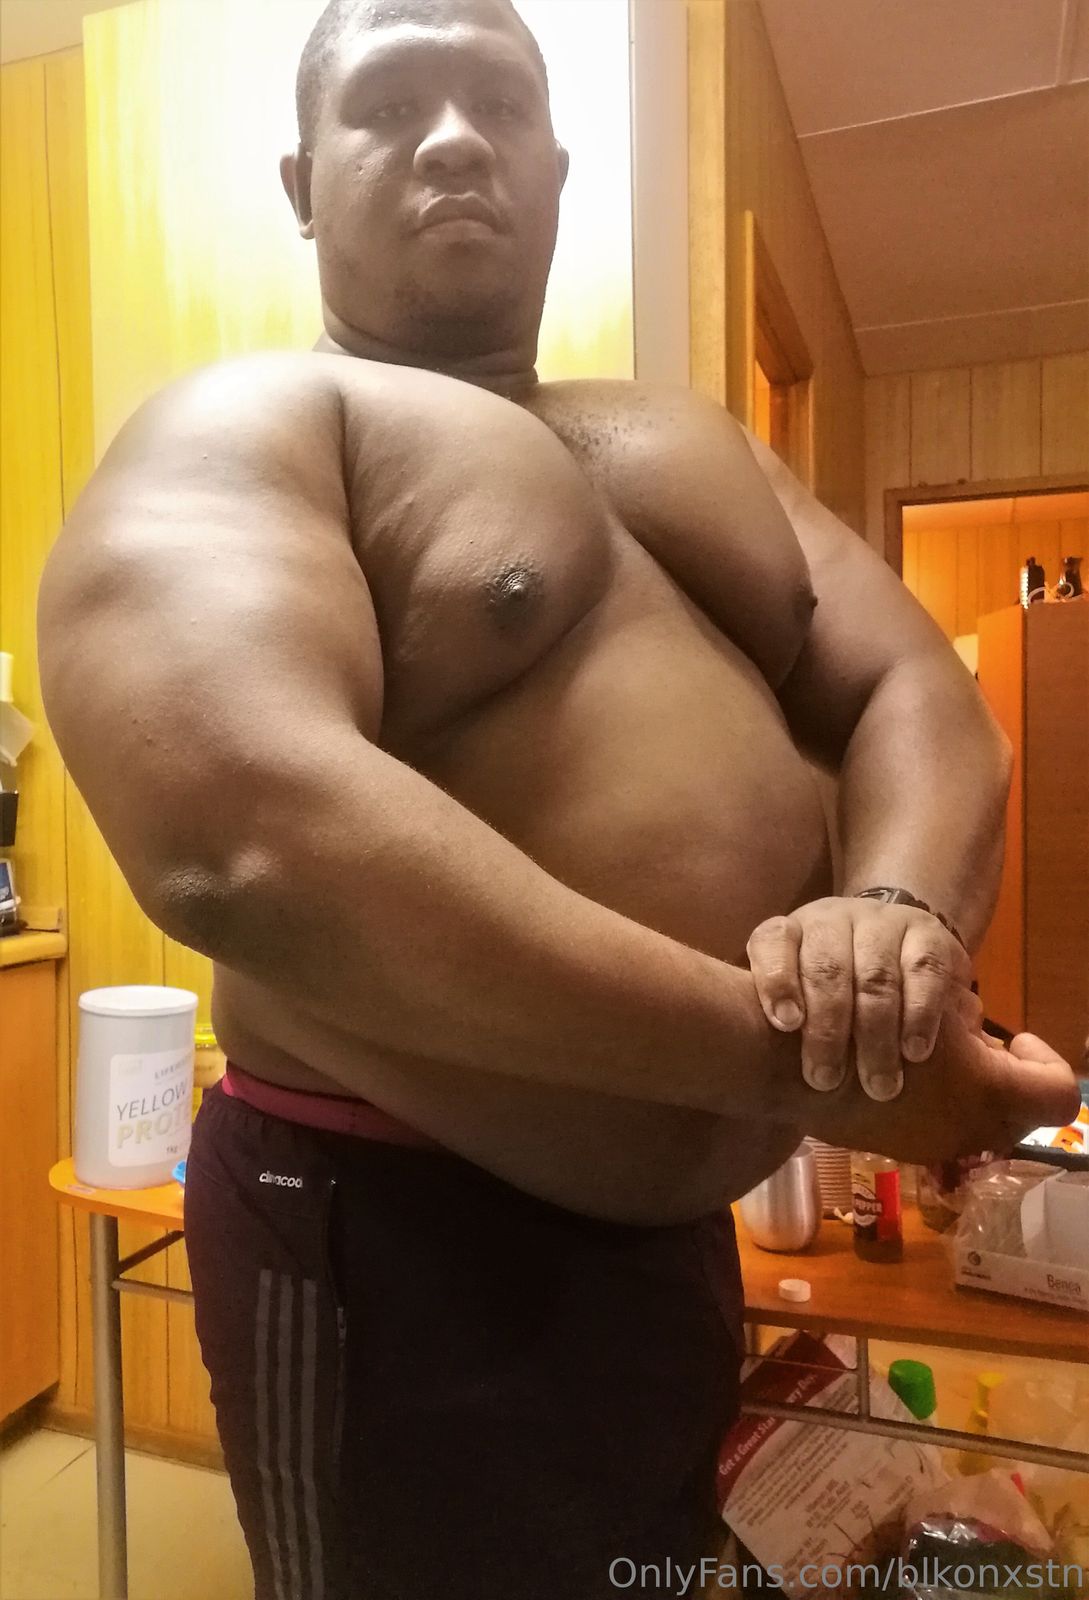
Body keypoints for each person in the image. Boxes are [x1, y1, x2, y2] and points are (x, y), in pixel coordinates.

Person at [37, 1, 1079, 1596]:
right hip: (392, 1232)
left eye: (500, 104)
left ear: (556, 167)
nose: (457, 138)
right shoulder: (253, 429)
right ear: (304, 183)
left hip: (666, 1247)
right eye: (393, 104)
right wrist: (810, 1067)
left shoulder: (688, 441)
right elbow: (239, 841)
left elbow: (913, 692)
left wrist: (895, 922)